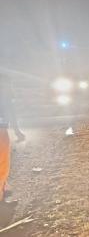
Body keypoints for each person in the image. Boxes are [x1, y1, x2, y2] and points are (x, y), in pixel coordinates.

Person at [0, 73, 25, 204]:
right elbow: (11, 114)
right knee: (2, 164)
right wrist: (17, 131)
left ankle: (4, 188)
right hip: (0, 131)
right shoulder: (5, 96)